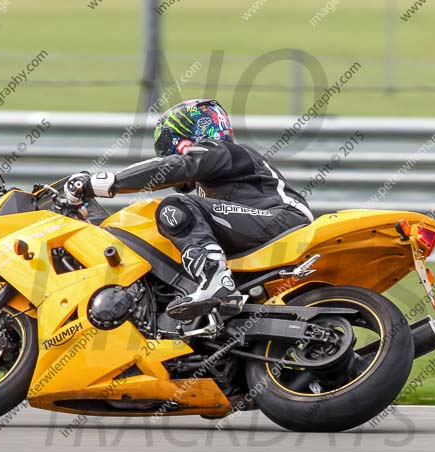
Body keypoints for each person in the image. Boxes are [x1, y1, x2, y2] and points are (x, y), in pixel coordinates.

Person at [64, 99, 313, 321]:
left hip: (281, 218)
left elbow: (180, 166)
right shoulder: (214, 182)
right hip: (263, 225)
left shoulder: (226, 152)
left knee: (176, 208)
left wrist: (109, 182)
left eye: (167, 146)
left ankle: (216, 280)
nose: (167, 153)